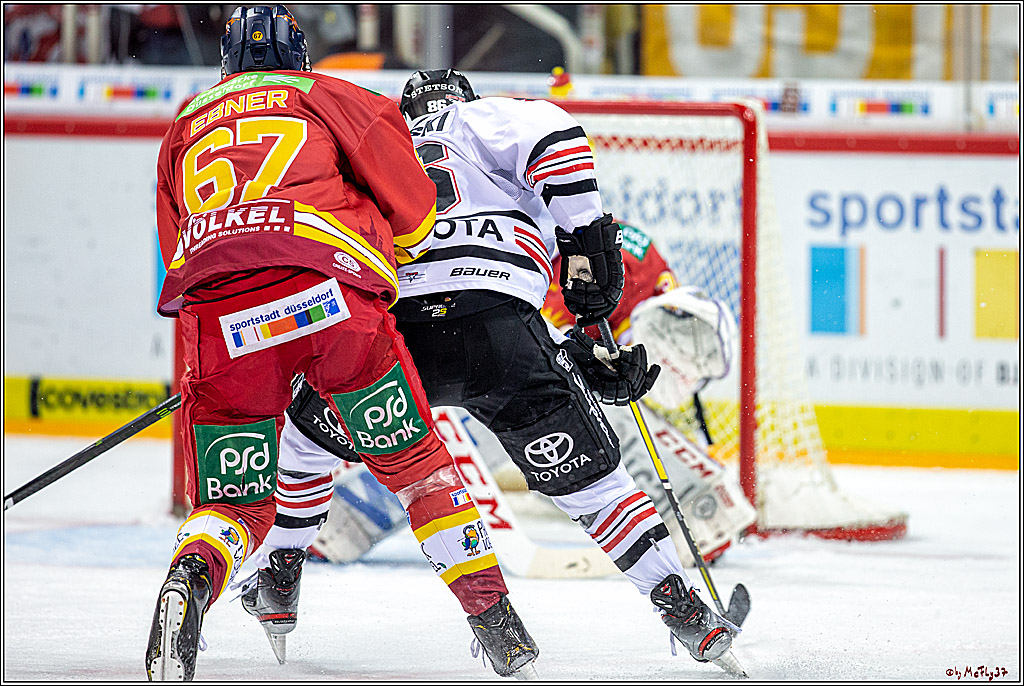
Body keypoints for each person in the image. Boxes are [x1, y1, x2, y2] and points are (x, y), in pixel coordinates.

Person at [240, 68, 743, 676]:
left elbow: (314, 238)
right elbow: (557, 142)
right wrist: (589, 301)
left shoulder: (374, 139)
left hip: (394, 334)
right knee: (597, 489)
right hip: (497, 328)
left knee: (304, 436)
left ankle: (282, 574)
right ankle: (682, 609)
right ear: (463, 101)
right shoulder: (485, 122)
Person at [147, 9, 533, 681]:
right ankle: (494, 618)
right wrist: (393, 244)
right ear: (299, 51)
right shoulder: (326, 93)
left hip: (222, 324)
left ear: (224, 63)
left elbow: (175, 244)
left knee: (232, 503)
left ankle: (190, 580)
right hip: (333, 304)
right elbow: (415, 206)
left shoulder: (186, 123)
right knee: (416, 469)